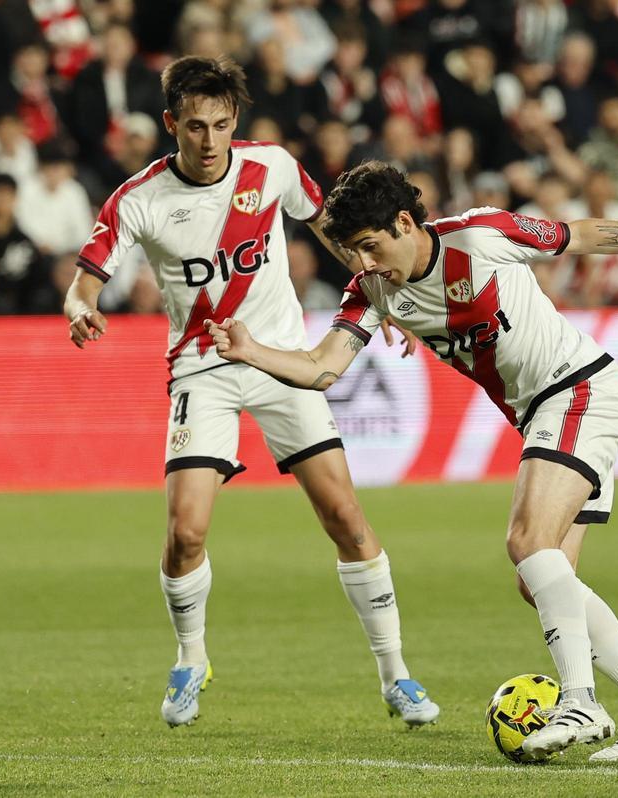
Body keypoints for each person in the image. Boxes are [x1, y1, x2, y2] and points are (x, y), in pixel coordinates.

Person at [206, 161, 618, 762]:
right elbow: (323, 367)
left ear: (405, 221)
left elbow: (577, 235)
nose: (364, 264)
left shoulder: (480, 235)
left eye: (371, 246)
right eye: (354, 252)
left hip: (580, 388)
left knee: (526, 539)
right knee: (540, 580)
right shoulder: (374, 290)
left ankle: (581, 701)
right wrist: (251, 350)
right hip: (548, 413)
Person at [64, 56, 437, 729]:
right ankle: (190, 657)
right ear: (171, 123)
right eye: (197, 127)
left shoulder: (273, 167)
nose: (210, 142)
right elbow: (87, 273)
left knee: (347, 520)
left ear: (237, 122)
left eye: (223, 125)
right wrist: (79, 306)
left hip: (282, 362)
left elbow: (335, 232)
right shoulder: (138, 198)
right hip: (201, 370)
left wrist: (391, 299)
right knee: (186, 532)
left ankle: (397, 676)